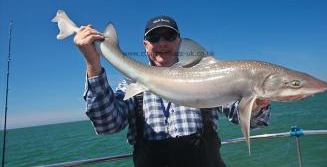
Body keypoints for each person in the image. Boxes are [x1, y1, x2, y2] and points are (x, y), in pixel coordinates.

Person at [74, 15, 271, 167]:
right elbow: (107, 125)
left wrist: (257, 105)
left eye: (169, 36)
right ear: (145, 45)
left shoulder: (209, 77)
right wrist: (93, 64)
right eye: (153, 37)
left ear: (179, 41)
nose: (162, 43)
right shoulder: (130, 85)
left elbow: (253, 120)